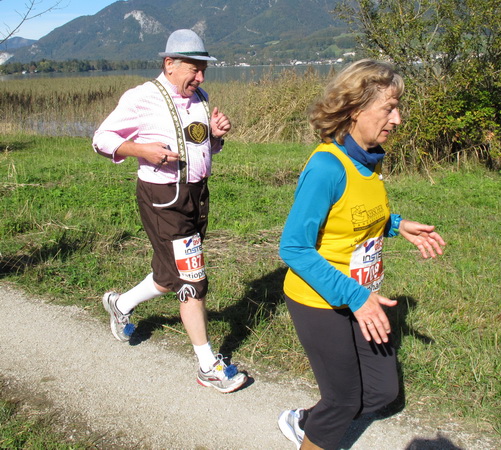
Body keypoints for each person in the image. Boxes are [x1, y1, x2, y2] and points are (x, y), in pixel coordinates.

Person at [277, 59, 446, 449]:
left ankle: (307, 422)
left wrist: (396, 225)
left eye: (398, 108)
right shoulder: (326, 167)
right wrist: (355, 296)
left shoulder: (370, 159)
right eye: (389, 108)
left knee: (382, 392)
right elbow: (293, 247)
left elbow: (355, 216)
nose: (398, 119)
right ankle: (320, 428)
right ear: (355, 109)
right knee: (344, 400)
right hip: (318, 299)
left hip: (359, 296)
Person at [92, 29, 247, 394]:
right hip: (162, 197)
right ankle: (208, 366)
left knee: (168, 274)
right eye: (195, 69)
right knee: (193, 279)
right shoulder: (142, 97)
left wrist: (216, 135)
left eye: (204, 70)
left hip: (197, 195)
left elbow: (202, 146)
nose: (201, 77)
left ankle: (120, 304)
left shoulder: (200, 98)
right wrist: (141, 150)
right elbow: (101, 138)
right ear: (170, 64)